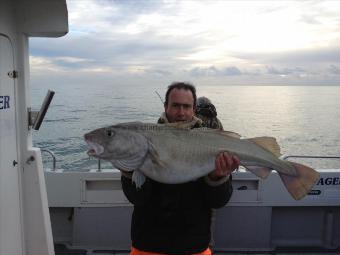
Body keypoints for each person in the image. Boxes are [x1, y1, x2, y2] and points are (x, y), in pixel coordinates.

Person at [121, 82, 240, 255]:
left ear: (194, 109)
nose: (181, 113)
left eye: (186, 106)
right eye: (176, 106)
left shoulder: (211, 142)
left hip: (194, 246)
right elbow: (137, 198)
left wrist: (217, 178)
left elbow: (218, 202)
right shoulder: (144, 141)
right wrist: (129, 170)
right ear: (165, 106)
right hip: (148, 244)